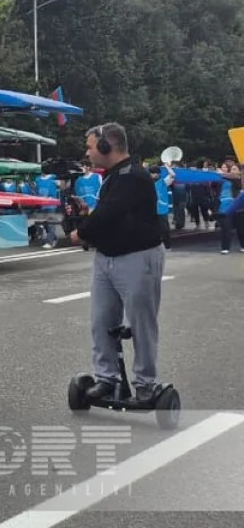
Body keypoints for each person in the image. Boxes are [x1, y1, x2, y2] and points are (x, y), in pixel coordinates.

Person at [69, 123, 166, 403]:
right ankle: (106, 379)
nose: (87, 153)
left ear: (105, 146)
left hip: (138, 257)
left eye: (89, 146)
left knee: (141, 323)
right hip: (106, 258)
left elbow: (112, 212)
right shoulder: (113, 177)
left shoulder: (134, 176)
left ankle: (146, 384)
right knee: (101, 322)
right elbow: (112, 213)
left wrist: (82, 232)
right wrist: (87, 213)